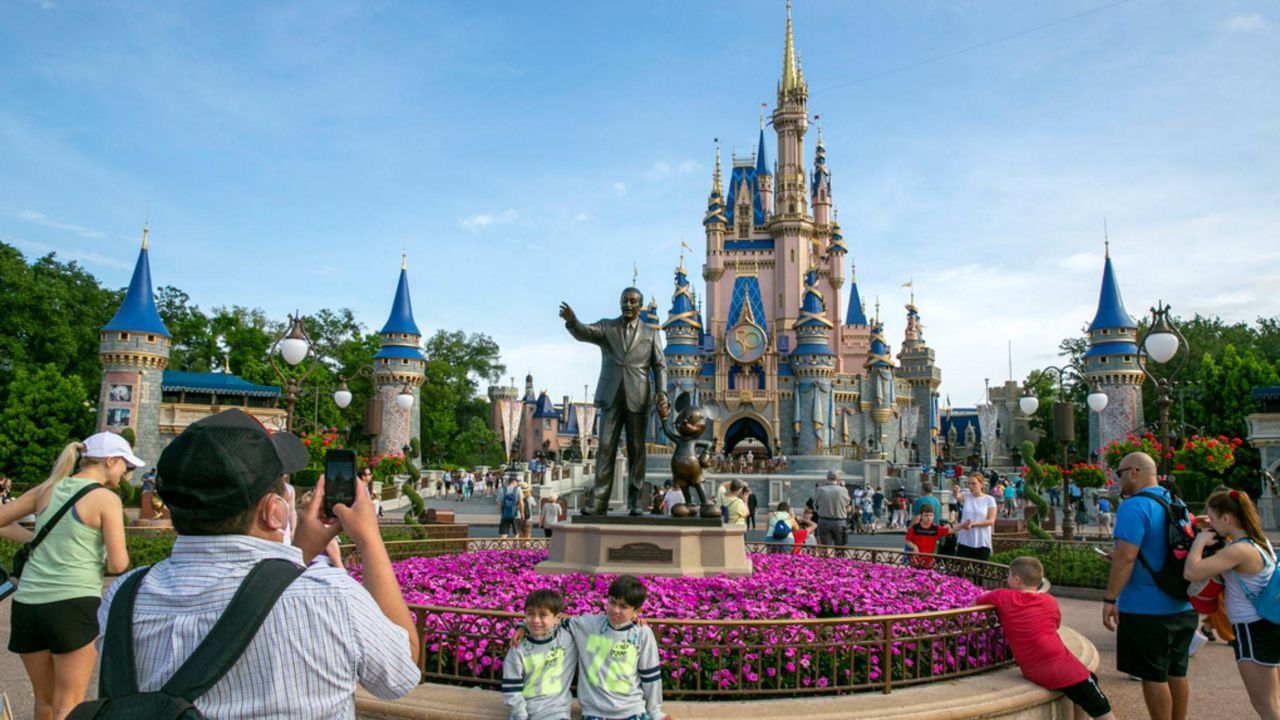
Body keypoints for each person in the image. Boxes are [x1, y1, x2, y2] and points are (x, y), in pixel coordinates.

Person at [87, 409, 419, 718]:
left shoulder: (123, 598)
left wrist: (298, 551)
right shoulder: (333, 598)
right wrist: (369, 539)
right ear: (273, 510)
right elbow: (402, 672)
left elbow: (259, 595)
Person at [1, 434, 137, 720]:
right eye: (125, 464)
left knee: (44, 701)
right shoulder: (105, 499)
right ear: (110, 461)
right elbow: (118, 562)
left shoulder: (46, 489)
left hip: (27, 606)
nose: (126, 472)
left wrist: (34, 538)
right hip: (72, 606)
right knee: (70, 705)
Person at [1102, 451, 1195, 720]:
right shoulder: (1177, 500)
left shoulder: (1133, 506)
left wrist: (1110, 599)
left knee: (1152, 674)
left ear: (1134, 472)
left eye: (1120, 474)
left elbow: (1126, 556)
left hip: (1146, 607)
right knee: (1177, 671)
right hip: (1182, 602)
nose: (1119, 480)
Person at [561, 289, 670, 516]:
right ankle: (599, 502)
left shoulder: (651, 333)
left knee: (637, 451)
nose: (627, 305)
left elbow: (660, 366)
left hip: (638, 398)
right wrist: (573, 321)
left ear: (640, 306)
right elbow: (584, 332)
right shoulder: (607, 327)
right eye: (624, 301)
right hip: (611, 397)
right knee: (605, 449)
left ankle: (634, 502)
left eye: (632, 301)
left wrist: (662, 393)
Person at [977, 558, 1116, 720]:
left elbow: (974, 603)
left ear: (1017, 580)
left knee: (1090, 679)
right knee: (1099, 705)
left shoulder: (1001, 596)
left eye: (1008, 575)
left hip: (1039, 667)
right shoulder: (1049, 601)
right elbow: (1055, 625)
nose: (1006, 579)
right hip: (1056, 666)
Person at [1184, 489, 1280, 719]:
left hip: (1252, 629)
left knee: (1265, 705)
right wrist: (1209, 522)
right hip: (1268, 624)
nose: (1213, 524)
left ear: (1226, 518)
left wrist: (1199, 541)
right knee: (1273, 700)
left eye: (1215, 519)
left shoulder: (1239, 550)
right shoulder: (1259, 542)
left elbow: (1192, 572)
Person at [566, 575, 666, 720]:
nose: (615, 610)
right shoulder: (588, 625)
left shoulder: (642, 633)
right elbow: (553, 624)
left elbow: (651, 676)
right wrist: (524, 627)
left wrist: (655, 711)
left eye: (623, 607)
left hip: (632, 711)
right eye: (612, 602)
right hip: (595, 712)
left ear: (637, 611)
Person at [503, 589, 577, 720]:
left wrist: (522, 626)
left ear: (557, 618)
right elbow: (512, 690)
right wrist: (521, 715)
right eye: (530, 614)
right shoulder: (518, 648)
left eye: (543, 615)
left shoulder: (567, 638)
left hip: (557, 712)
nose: (536, 620)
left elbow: (594, 625)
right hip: (524, 712)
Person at [953, 474, 998, 561]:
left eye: (974, 483)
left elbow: (991, 521)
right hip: (965, 540)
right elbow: (958, 497)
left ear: (981, 485)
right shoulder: (967, 496)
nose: (971, 486)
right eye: (969, 484)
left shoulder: (989, 499)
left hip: (982, 541)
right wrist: (955, 492)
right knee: (961, 569)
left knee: (980, 569)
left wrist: (973, 524)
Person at [814, 471, 852, 547]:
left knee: (826, 548)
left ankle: (828, 559)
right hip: (839, 522)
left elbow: (815, 505)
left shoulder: (820, 490)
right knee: (840, 548)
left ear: (827, 478)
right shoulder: (843, 490)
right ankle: (839, 558)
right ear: (837, 479)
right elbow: (848, 505)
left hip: (824, 521)